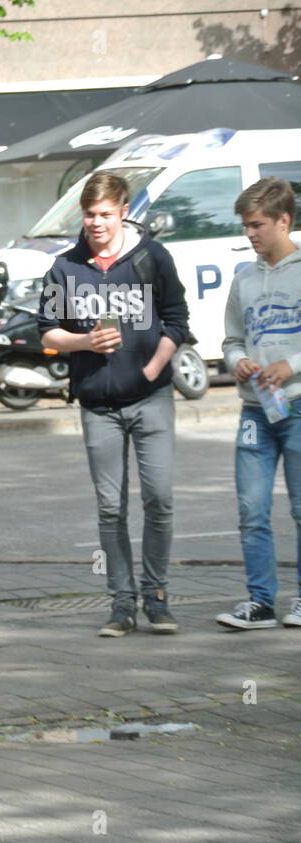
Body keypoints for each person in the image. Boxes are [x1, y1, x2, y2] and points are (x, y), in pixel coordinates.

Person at [37, 170, 190, 638]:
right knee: (110, 507)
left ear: (125, 211)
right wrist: (85, 342)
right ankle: (122, 603)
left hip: (151, 398)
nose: (96, 224)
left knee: (159, 498)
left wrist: (153, 365)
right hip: (98, 405)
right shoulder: (66, 268)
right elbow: (46, 332)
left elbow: (178, 321)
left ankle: (157, 597)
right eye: (88, 215)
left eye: (105, 214)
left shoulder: (151, 258)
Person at [216, 178, 301, 630]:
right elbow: (230, 339)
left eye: (257, 225)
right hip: (256, 409)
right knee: (251, 509)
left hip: (299, 406)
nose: (249, 234)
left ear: (284, 220)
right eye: (245, 226)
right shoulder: (243, 279)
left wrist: (291, 364)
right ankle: (260, 602)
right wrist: (239, 360)